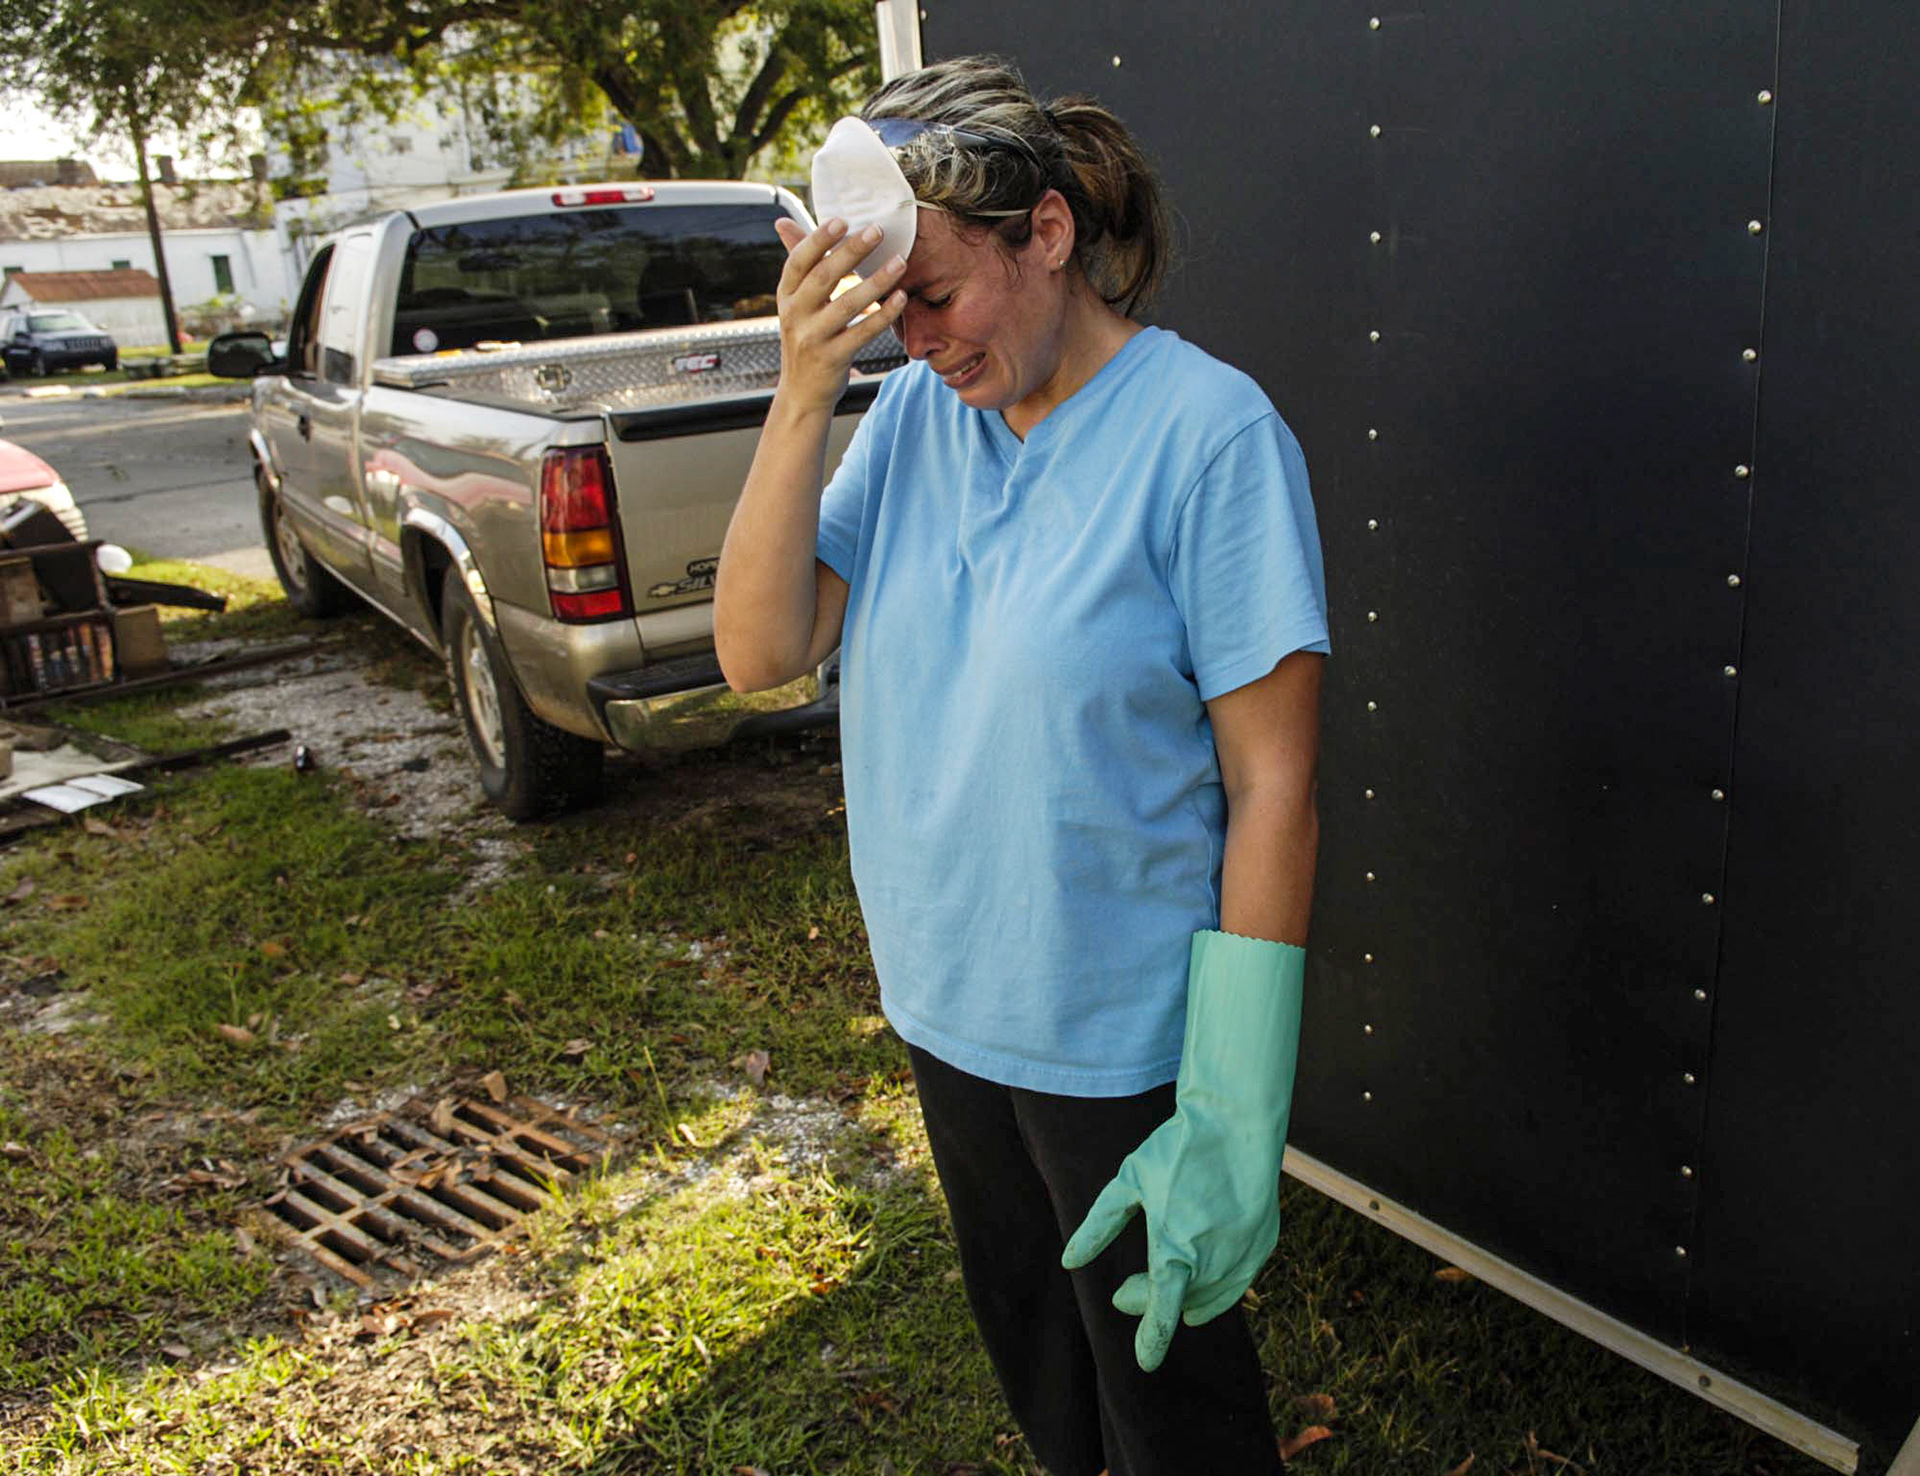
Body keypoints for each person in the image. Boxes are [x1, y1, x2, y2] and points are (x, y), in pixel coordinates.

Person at [715, 55, 1328, 1476]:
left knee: (1176, 1422)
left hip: (1115, 1039)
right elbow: (760, 651)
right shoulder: (923, 416)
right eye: (880, 312)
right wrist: (803, 394)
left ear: (1046, 233)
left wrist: (1235, 1107)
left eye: (933, 294)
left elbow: (1275, 782)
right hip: (947, 1000)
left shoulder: (1209, 436)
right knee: (1053, 1401)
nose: (914, 339)